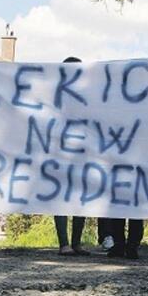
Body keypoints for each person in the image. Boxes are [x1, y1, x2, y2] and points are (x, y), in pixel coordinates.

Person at [51, 56, 90, 256]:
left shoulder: (86, 96)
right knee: (60, 196)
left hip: (81, 152)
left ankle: (76, 242)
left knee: (80, 197)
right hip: (60, 152)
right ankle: (63, 243)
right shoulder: (55, 95)